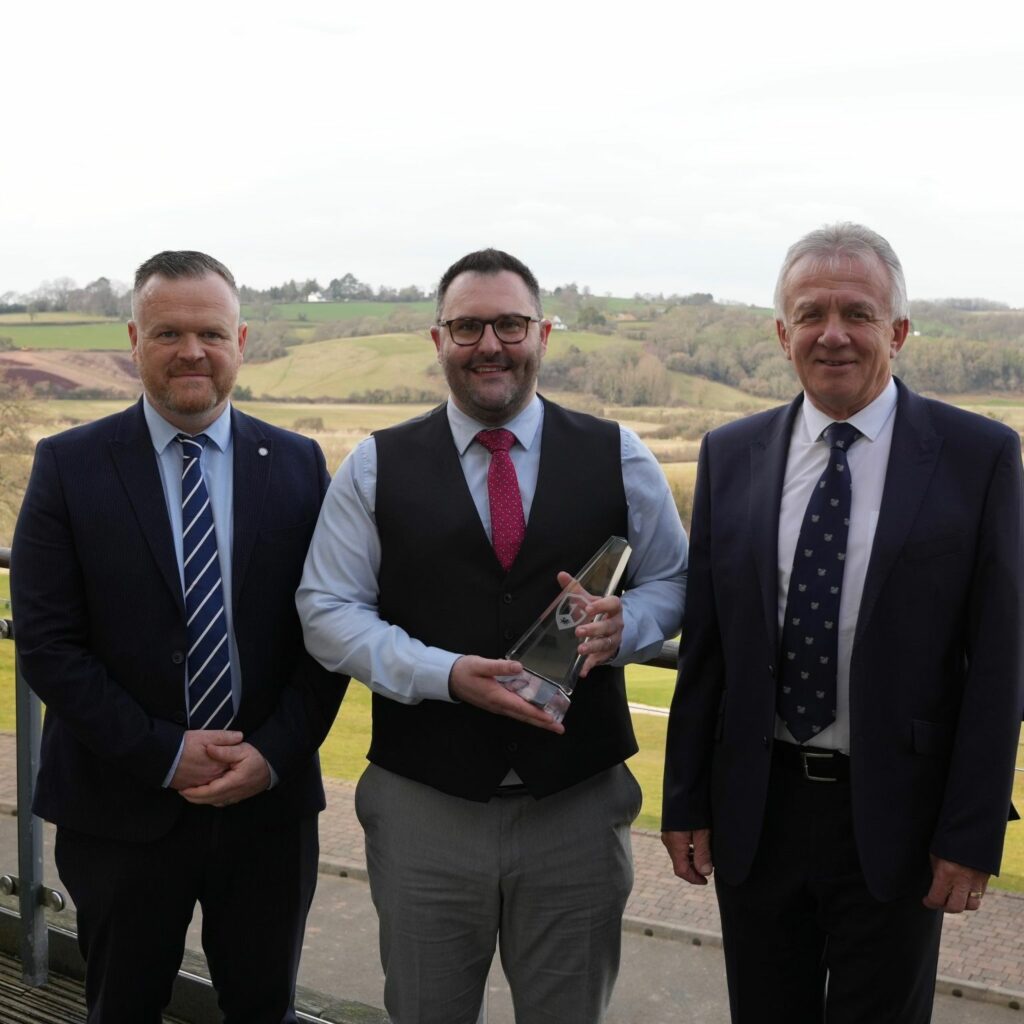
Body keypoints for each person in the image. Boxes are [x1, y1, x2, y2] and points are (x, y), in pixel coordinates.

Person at [297, 248, 687, 1024]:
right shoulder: (374, 465)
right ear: (437, 339)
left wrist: (628, 626)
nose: (490, 345)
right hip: (424, 810)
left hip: (577, 808)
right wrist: (442, 674)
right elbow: (327, 610)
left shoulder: (619, 453)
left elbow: (674, 581)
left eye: (510, 324)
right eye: (467, 327)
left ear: (542, 333)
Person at [661, 222, 1024, 1023]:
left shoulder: (980, 457)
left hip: (899, 819)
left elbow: (1001, 662)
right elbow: (708, 648)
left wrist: (971, 832)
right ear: (781, 333)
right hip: (759, 812)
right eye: (811, 314)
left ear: (898, 331)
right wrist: (684, 799)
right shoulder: (730, 453)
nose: (833, 334)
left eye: (858, 313)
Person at [11, 251, 345, 1024]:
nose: (192, 351)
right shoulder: (67, 464)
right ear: (134, 340)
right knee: (121, 1007)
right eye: (168, 333)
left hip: (266, 810)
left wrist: (273, 754)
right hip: (119, 807)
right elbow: (49, 645)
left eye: (211, 333)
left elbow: (329, 632)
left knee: (264, 1009)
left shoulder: (299, 464)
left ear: (241, 341)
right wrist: (163, 752)